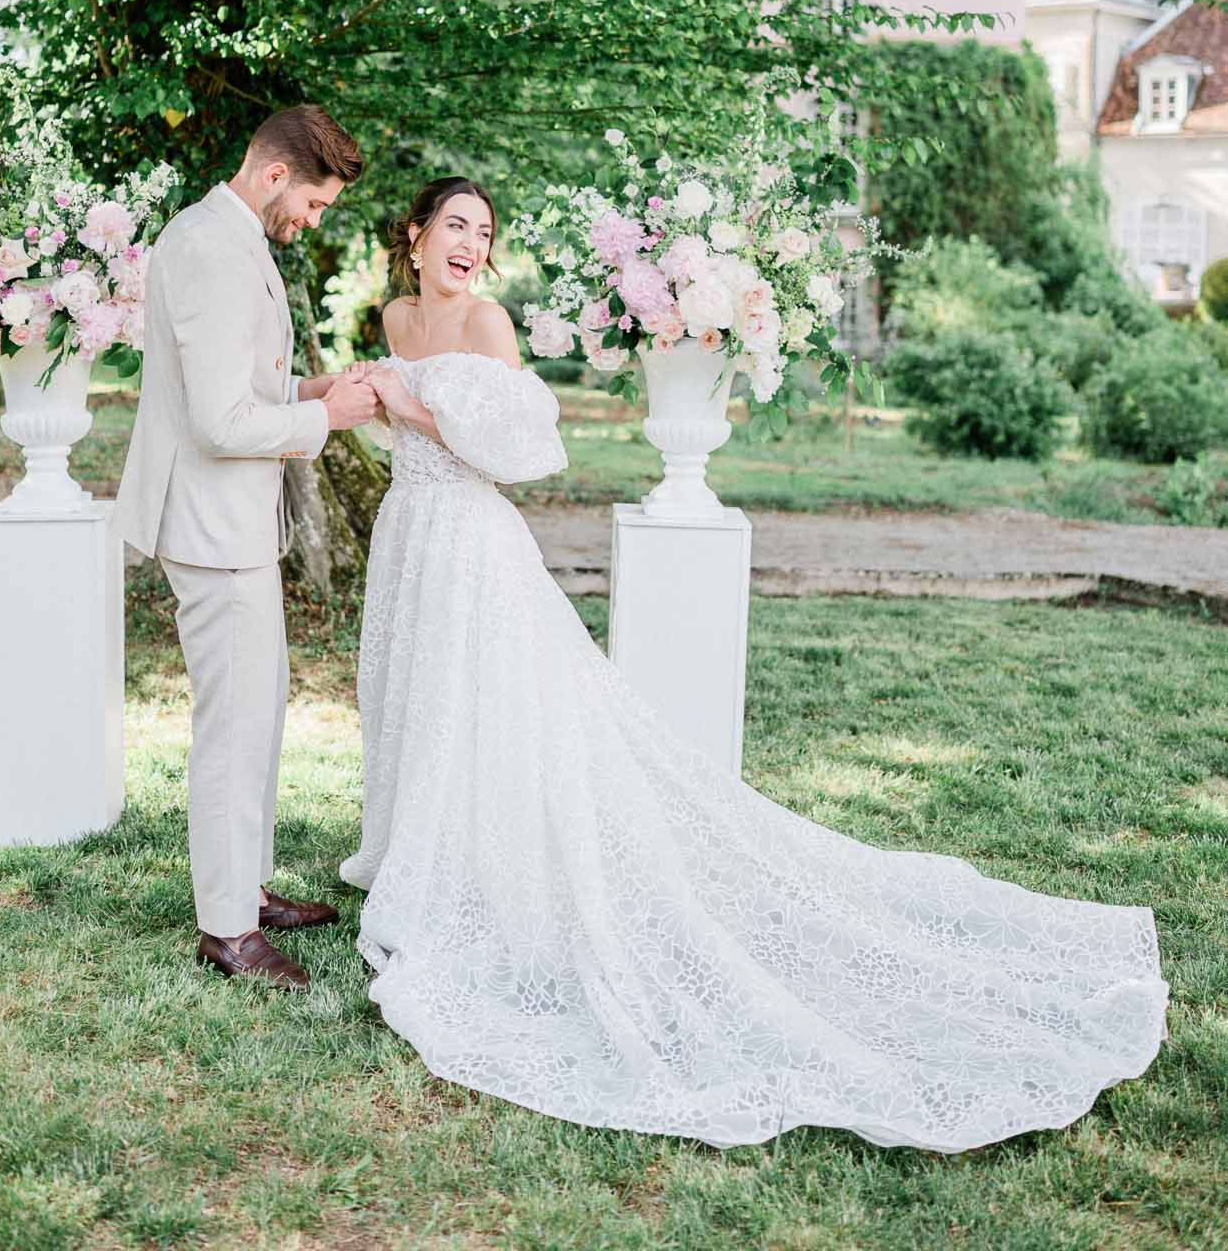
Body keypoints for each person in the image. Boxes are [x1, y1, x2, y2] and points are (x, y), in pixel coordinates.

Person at [338, 176, 1168, 1150]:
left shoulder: (486, 324)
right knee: (414, 692)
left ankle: (474, 870)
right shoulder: (392, 314)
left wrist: (413, 405)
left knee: (490, 708)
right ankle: (418, 847)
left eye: (483, 229)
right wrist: (345, 392)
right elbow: (372, 409)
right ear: (414, 233)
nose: (469, 244)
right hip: (408, 533)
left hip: (474, 539)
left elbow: (523, 450)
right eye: (454, 226)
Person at [116, 104, 378, 988]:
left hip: (236, 524)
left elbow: (238, 382)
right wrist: (325, 416)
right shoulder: (209, 247)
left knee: (259, 712)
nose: (311, 222)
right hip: (210, 524)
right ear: (275, 176)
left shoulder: (235, 237)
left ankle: (247, 888)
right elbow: (221, 421)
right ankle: (227, 930)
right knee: (231, 730)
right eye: (313, 204)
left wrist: (305, 386)